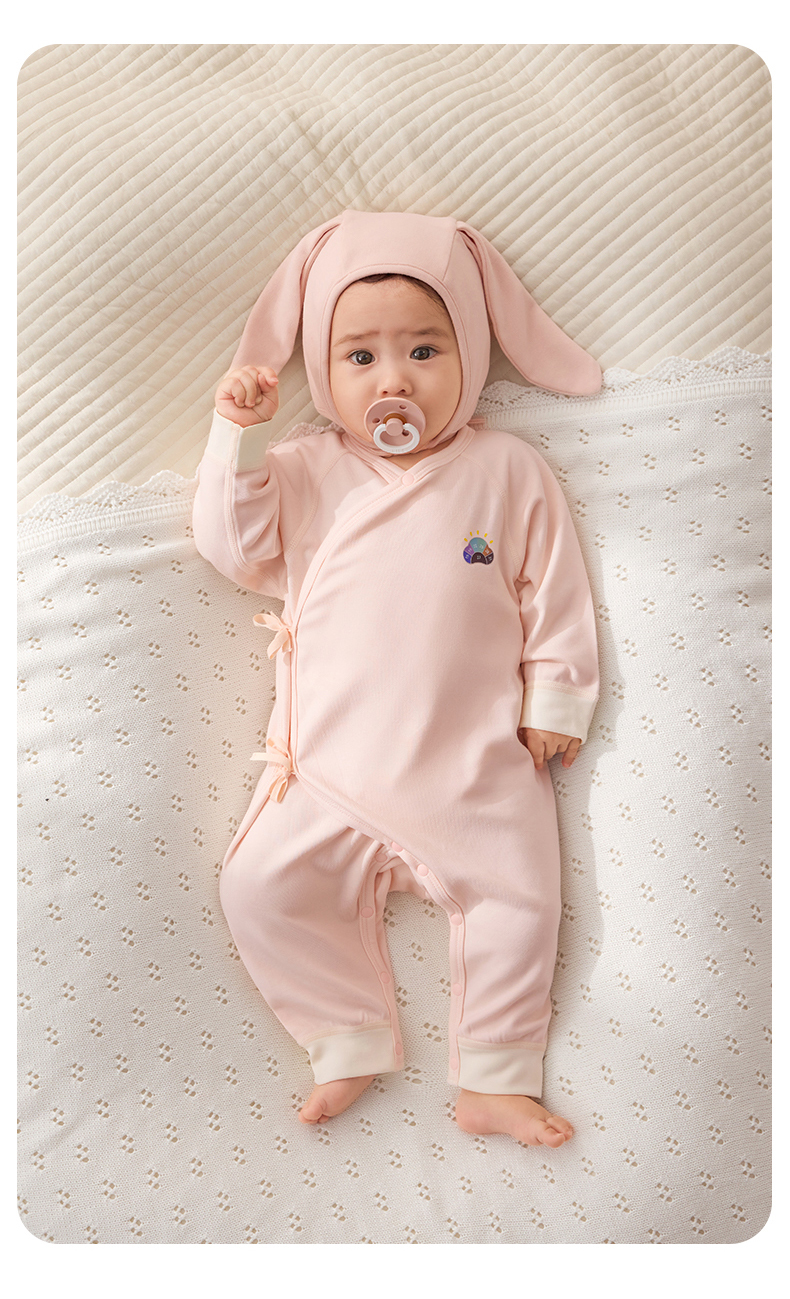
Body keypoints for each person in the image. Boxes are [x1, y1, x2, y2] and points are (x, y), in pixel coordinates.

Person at [192, 210, 601, 1147]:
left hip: (474, 767)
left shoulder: (509, 470)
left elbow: (555, 590)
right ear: (322, 369)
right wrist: (239, 438)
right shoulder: (304, 469)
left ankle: (497, 1077)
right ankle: (345, 1035)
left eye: (424, 349)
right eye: (361, 357)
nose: (395, 380)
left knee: (522, 901)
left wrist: (557, 694)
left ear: (472, 351)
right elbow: (233, 547)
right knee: (258, 886)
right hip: (327, 768)